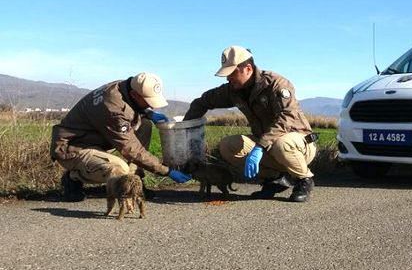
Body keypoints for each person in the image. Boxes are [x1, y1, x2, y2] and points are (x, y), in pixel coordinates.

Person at [183, 46, 317, 202]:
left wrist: (260, 146)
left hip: (298, 144)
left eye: (232, 73)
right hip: (267, 146)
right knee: (228, 146)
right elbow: (202, 102)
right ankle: (275, 179)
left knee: (282, 143)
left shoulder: (276, 84)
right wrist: (183, 129)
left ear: (247, 68)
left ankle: (304, 179)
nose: (228, 78)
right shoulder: (233, 90)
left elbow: (287, 117)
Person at [50, 72, 192, 202]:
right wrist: (166, 170)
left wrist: (147, 113)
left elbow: (129, 106)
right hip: (73, 147)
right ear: (134, 94)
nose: (152, 106)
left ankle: (133, 181)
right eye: (148, 102)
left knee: (145, 125)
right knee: (120, 168)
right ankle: (73, 177)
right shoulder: (112, 109)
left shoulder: (123, 86)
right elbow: (131, 149)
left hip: (98, 137)